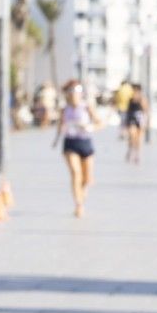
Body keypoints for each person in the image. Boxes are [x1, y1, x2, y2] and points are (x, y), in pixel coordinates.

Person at [52, 80, 99, 218]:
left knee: (87, 179)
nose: (73, 95)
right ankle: (78, 204)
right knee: (75, 173)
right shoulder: (64, 109)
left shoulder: (87, 107)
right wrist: (56, 139)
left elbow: (100, 122)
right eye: (71, 92)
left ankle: (82, 194)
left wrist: (90, 127)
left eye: (76, 91)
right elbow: (60, 125)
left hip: (85, 142)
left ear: (81, 93)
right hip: (70, 142)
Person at [123, 83, 147, 163]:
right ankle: (130, 150)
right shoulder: (130, 99)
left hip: (140, 119)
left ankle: (137, 154)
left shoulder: (142, 99)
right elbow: (127, 110)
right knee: (132, 136)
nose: (135, 92)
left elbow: (145, 110)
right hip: (131, 119)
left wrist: (146, 121)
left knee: (139, 139)